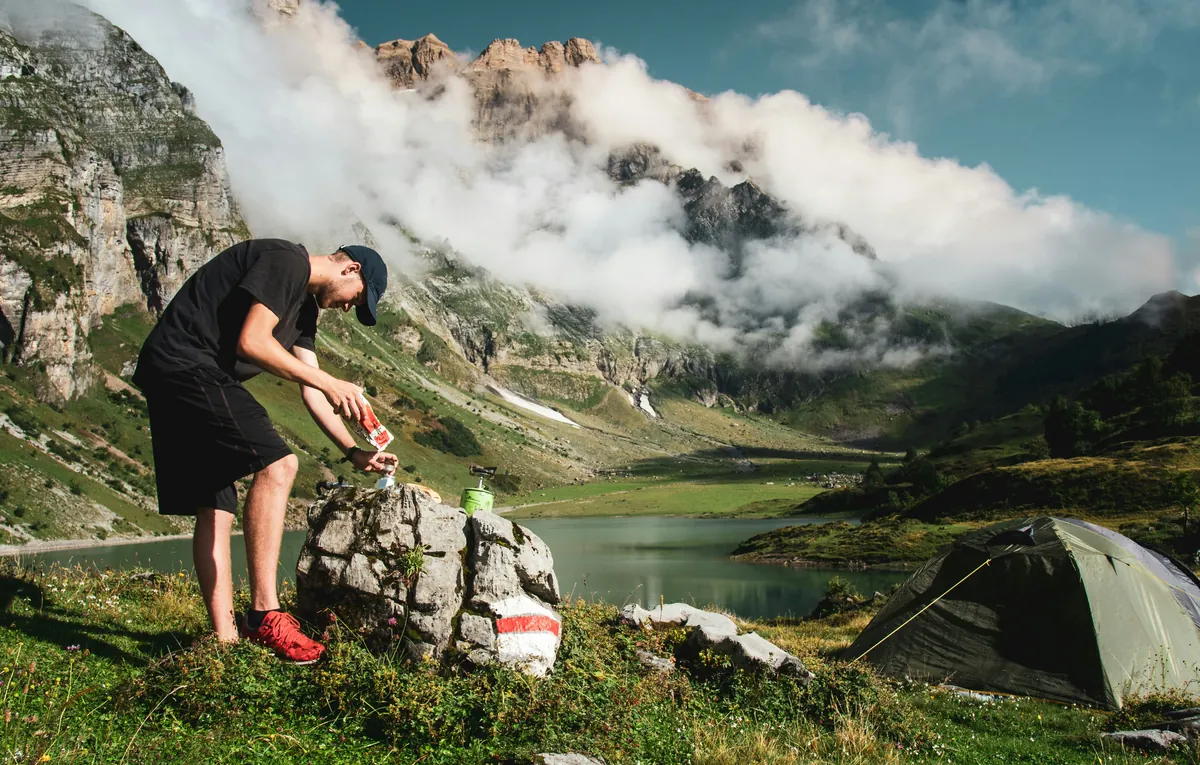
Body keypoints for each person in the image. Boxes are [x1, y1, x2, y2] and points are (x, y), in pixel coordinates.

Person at [132, 239, 399, 663]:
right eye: (358, 299)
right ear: (351, 269)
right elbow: (253, 341)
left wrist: (354, 452)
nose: (350, 308)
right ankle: (264, 616)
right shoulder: (287, 262)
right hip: (187, 363)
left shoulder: (305, 309)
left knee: (216, 504)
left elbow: (312, 390)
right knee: (279, 464)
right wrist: (331, 382)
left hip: (172, 368)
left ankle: (225, 641)